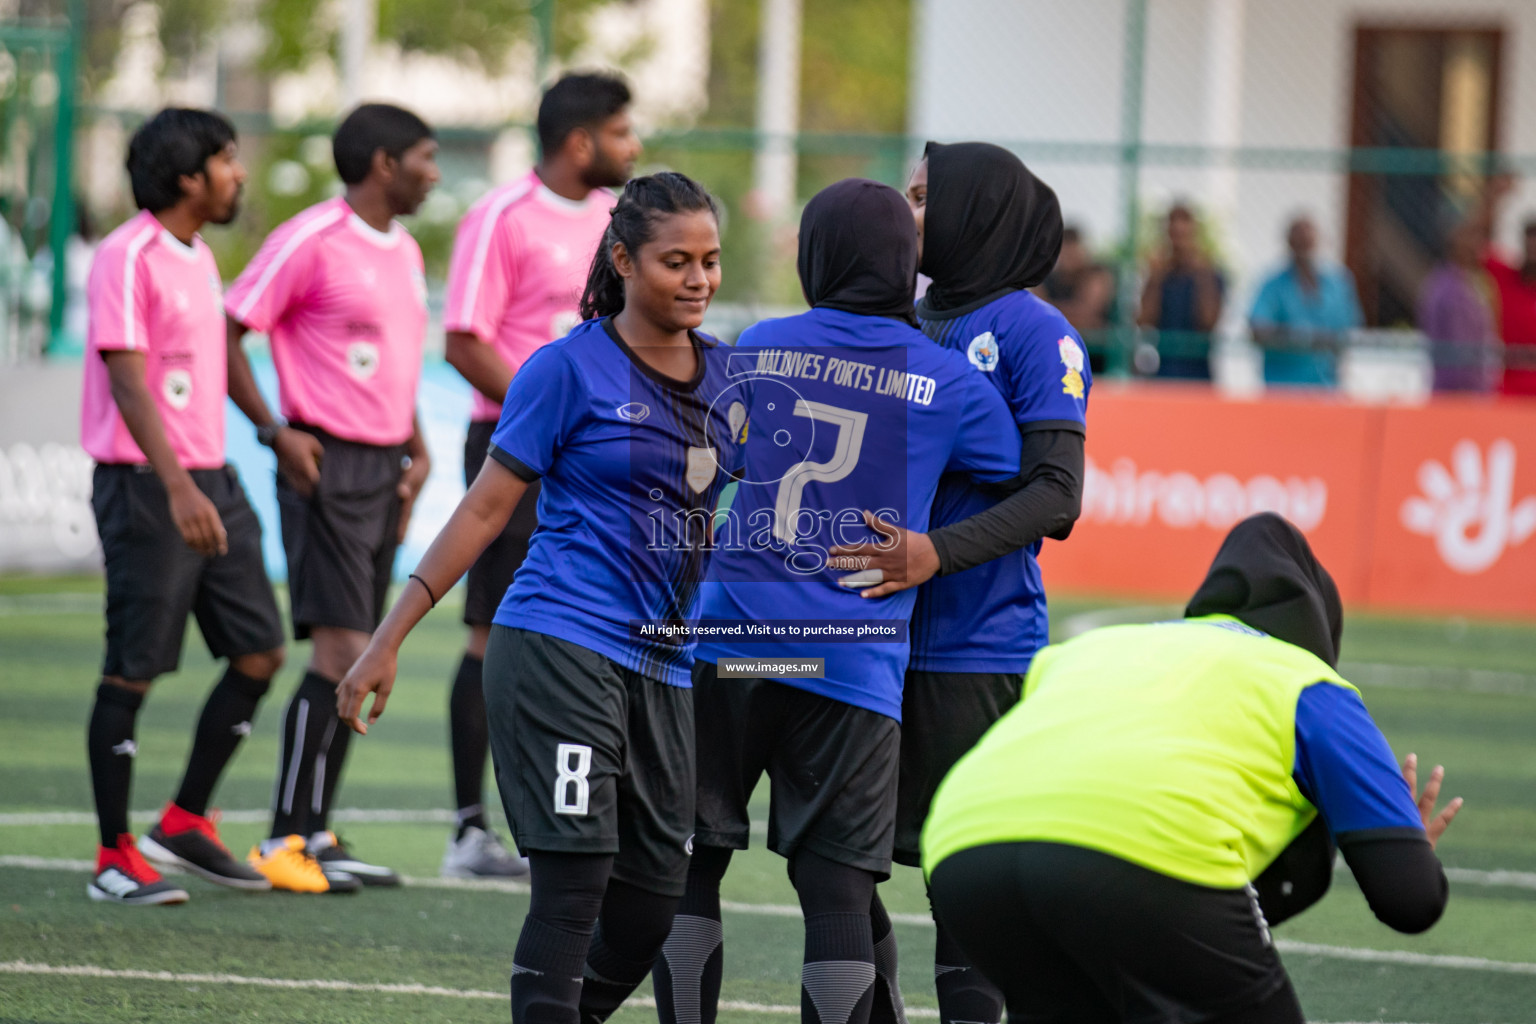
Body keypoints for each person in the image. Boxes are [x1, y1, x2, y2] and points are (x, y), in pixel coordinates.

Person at [338, 172, 739, 1024]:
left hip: (665, 669)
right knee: (574, 889)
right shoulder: (565, 369)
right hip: (559, 646)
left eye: (710, 261)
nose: (699, 279)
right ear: (624, 260)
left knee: (649, 905)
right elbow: (484, 509)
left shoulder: (733, 383)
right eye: (677, 261)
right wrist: (389, 636)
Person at [654, 178, 1022, 1024]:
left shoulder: (758, 342)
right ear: (906, 264)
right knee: (834, 892)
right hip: (849, 661)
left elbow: (729, 458)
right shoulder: (949, 380)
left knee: (693, 864)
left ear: (816, 256)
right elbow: (1011, 474)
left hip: (733, 642)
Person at [923, 513, 1462, 1024]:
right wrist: (1408, 849)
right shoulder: (1309, 682)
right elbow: (1409, 900)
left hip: (960, 847)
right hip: (1141, 849)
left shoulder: (1093, 648)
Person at [823, 141, 1089, 1024]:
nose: (910, 211)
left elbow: (1056, 494)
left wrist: (934, 552)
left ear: (977, 213)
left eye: (926, 196)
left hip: (975, 649)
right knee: (836, 861)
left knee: (963, 885)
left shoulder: (1032, 330)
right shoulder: (899, 317)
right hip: (867, 643)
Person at [224, 103, 439, 893]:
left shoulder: (407, 250)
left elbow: (393, 361)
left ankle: (316, 828)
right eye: (425, 156)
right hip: (326, 463)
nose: (435, 171)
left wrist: (417, 444)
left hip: (387, 466)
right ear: (384, 163)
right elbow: (228, 329)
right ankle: (282, 837)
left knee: (366, 652)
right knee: (343, 651)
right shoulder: (310, 238)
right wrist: (274, 432)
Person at [81, 108, 285, 905]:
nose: (239, 174)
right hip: (147, 483)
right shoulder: (125, 256)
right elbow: (128, 381)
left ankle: (185, 820)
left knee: (260, 650)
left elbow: (217, 358)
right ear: (188, 175)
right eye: (228, 160)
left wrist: (271, 431)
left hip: (211, 476)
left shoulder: (197, 257)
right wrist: (175, 487)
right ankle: (110, 855)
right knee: (131, 671)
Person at [438, 72, 640, 879]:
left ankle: (600, 812)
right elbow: (464, 340)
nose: (633, 147)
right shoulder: (499, 217)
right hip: (514, 454)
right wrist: (554, 410)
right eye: (623, 133)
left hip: (607, 461)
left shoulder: (616, 224)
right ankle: (467, 830)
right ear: (581, 140)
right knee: (493, 633)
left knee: (609, 624)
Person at [1249, 215, 1364, 388]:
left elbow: (1351, 329)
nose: (1304, 247)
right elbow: (1258, 330)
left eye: (1308, 242)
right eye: (1299, 242)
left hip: (1327, 386)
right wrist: (1303, 339)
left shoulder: (1339, 284)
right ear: (1289, 244)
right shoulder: (1273, 286)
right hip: (1283, 387)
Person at [1137, 203, 1225, 380]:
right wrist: (1155, 278)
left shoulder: (1209, 274)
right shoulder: (1160, 274)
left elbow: (1208, 323)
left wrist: (1201, 273)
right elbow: (1144, 321)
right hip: (1163, 367)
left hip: (1199, 369)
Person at [1417, 217, 1501, 393]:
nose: (1476, 244)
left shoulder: (1480, 281)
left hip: (1478, 384)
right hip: (1452, 387)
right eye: (1470, 238)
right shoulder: (1442, 286)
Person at [1040, 224, 1113, 366]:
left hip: (1095, 356)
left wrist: (1052, 311)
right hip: (1057, 355)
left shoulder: (1096, 274)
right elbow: (1037, 312)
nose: (1068, 257)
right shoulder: (1048, 279)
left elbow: (1087, 314)